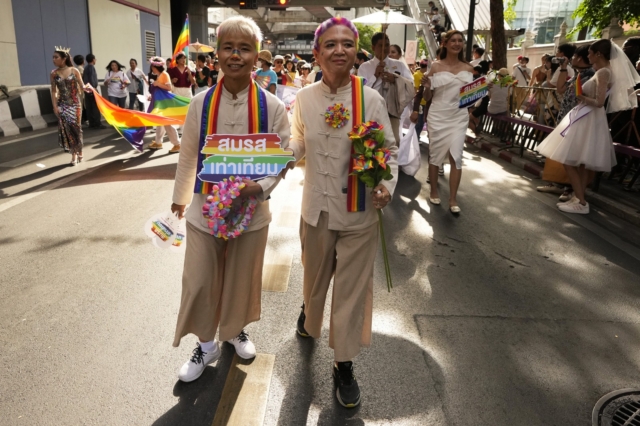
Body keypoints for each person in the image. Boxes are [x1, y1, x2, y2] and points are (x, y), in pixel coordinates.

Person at [171, 15, 290, 383]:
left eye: (244, 48)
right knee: (201, 280)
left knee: (241, 279)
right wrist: (179, 197)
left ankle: (235, 330)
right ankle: (206, 345)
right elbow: (189, 153)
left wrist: (259, 188)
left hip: (252, 213)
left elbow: (282, 157)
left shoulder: (273, 106)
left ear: (257, 56)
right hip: (203, 211)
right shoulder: (200, 104)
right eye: (228, 47)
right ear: (217, 54)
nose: (235, 55)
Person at [289, 16, 398, 408]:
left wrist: (386, 185)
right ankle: (309, 308)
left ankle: (344, 363)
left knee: (351, 293)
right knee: (314, 281)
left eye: (347, 44)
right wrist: (283, 157)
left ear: (357, 52)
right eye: (331, 44)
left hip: (360, 213)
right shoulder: (304, 98)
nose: (339, 51)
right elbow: (298, 139)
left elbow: (389, 152)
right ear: (317, 53)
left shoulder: (371, 99)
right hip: (316, 210)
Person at [536, 39, 640, 214]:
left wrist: (581, 97)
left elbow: (599, 102)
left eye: (590, 53)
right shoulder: (604, 71)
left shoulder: (603, 72)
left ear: (598, 54)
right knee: (582, 163)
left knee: (568, 160)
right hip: (589, 118)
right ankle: (578, 197)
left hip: (589, 117)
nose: (588, 56)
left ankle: (581, 201)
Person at [421, 30, 474, 213]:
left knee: (456, 157)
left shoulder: (468, 68)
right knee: (435, 155)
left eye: (460, 41)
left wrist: (483, 89)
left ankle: (453, 199)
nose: (457, 43)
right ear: (445, 43)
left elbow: (470, 98)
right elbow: (428, 96)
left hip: (459, 116)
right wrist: (427, 87)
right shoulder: (435, 66)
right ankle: (434, 190)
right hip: (438, 115)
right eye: (453, 40)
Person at [537, 45, 595, 201]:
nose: (572, 59)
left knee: (573, 158)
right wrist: (563, 68)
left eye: (575, 57)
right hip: (567, 119)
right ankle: (562, 185)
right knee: (565, 155)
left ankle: (572, 191)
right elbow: (560, 89)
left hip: (579, 121)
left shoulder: (591, 76)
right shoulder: (578, 74)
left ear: (582, 58)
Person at [358, 32, 414, 146]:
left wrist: (396, 79)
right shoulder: (365, 67)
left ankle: (392, 164)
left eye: (387, 45)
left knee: (393, 142)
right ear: (373, 47)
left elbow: (411, 85)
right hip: (371, 110)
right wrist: (375, 76)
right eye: (381, 45)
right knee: (372, 144)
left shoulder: (399, 65)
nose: (385, 48)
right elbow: (361, 91)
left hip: (392, 110)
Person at [50, 48, 84, 165]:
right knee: (67, 129)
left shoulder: (74, 71)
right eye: (53, 57)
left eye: (56, 57)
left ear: (64, 59)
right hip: (62, 105)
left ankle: (79, 150)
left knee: (76, 128)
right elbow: (54, 91)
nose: (54, 59)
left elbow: (82, 86)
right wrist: (55, 106)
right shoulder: (54, 73)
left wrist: (89, 89)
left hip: (75, 105)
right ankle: (74, 154)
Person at [147, 57, 181, 153]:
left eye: (153, 66)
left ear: (156, 67)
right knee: (160, 123)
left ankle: (177, 144)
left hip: (165, 103)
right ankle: (158, 142)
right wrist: (152, 96)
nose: (152, 68)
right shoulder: (160, 75)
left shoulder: (164, 74)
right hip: (161, 103)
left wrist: (157, 84)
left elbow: (168, 87)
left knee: (167, 124)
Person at [82, 53, 104, 129]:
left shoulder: (86, 68)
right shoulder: (91, 67)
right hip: (92, 89)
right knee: (95, 107)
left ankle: (92, 123)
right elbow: (92, 78)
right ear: (93, 59)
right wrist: (93, 88)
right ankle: (97, 123)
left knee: (89, 107)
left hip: (87, 90)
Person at [411, 59, 429, 138]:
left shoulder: (428, 75)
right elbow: (416, 89)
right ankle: (416, 137)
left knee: (424, 122)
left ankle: (416, 137)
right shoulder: (416, 75)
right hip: (420, 103)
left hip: (427, 102)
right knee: (419, 122)